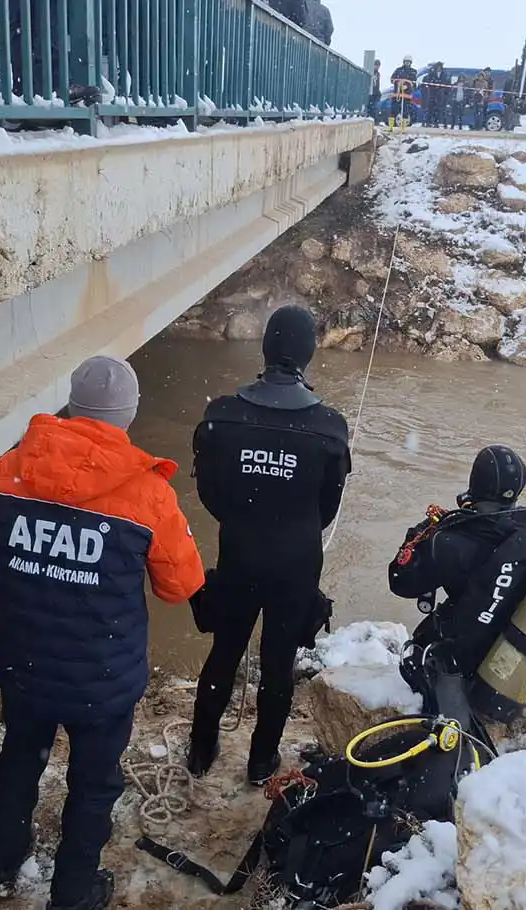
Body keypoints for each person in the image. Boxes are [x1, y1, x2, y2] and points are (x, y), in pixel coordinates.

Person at [0, 355, 205, 908]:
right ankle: (73, 892)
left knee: (20, 761)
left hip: (25, 665)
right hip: (104, 676)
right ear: (128, 415)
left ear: (72, 406)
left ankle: (3, 868)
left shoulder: (8, 472)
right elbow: (180, 584)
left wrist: (17, 626)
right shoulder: (147, 493)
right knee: (94, 785)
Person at [186, 305, 351, 786]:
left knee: (225, 651)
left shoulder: (222, 416)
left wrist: (246, 520)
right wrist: (288, 525)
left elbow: (210, 494)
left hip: (239, 551)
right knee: (279, 663)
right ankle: (261, 761)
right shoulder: (329, 428)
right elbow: (327, 509)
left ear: (266, 347)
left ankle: (201, 751)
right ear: (308, 354)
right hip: (296, 561)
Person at [387, 446, 526, 725]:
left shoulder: (448, 542)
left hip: (469, 659)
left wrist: (422, 532)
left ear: (474, 484)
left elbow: (400, 581)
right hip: (522, 653)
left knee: (425, 642)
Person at [388, 55, 418, 125]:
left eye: (408, 62)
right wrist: (398, 83)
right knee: (393, 111)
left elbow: (414, 83)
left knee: (405, 112)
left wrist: (407, 86)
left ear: (411, 63)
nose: (407, 63)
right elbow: (392, 79)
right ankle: (391, 126)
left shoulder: (413, 71)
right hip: (397, 94)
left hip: (406, 95)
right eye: (406, 62)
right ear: (403, 62)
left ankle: (403, 128)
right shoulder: (398, 70)